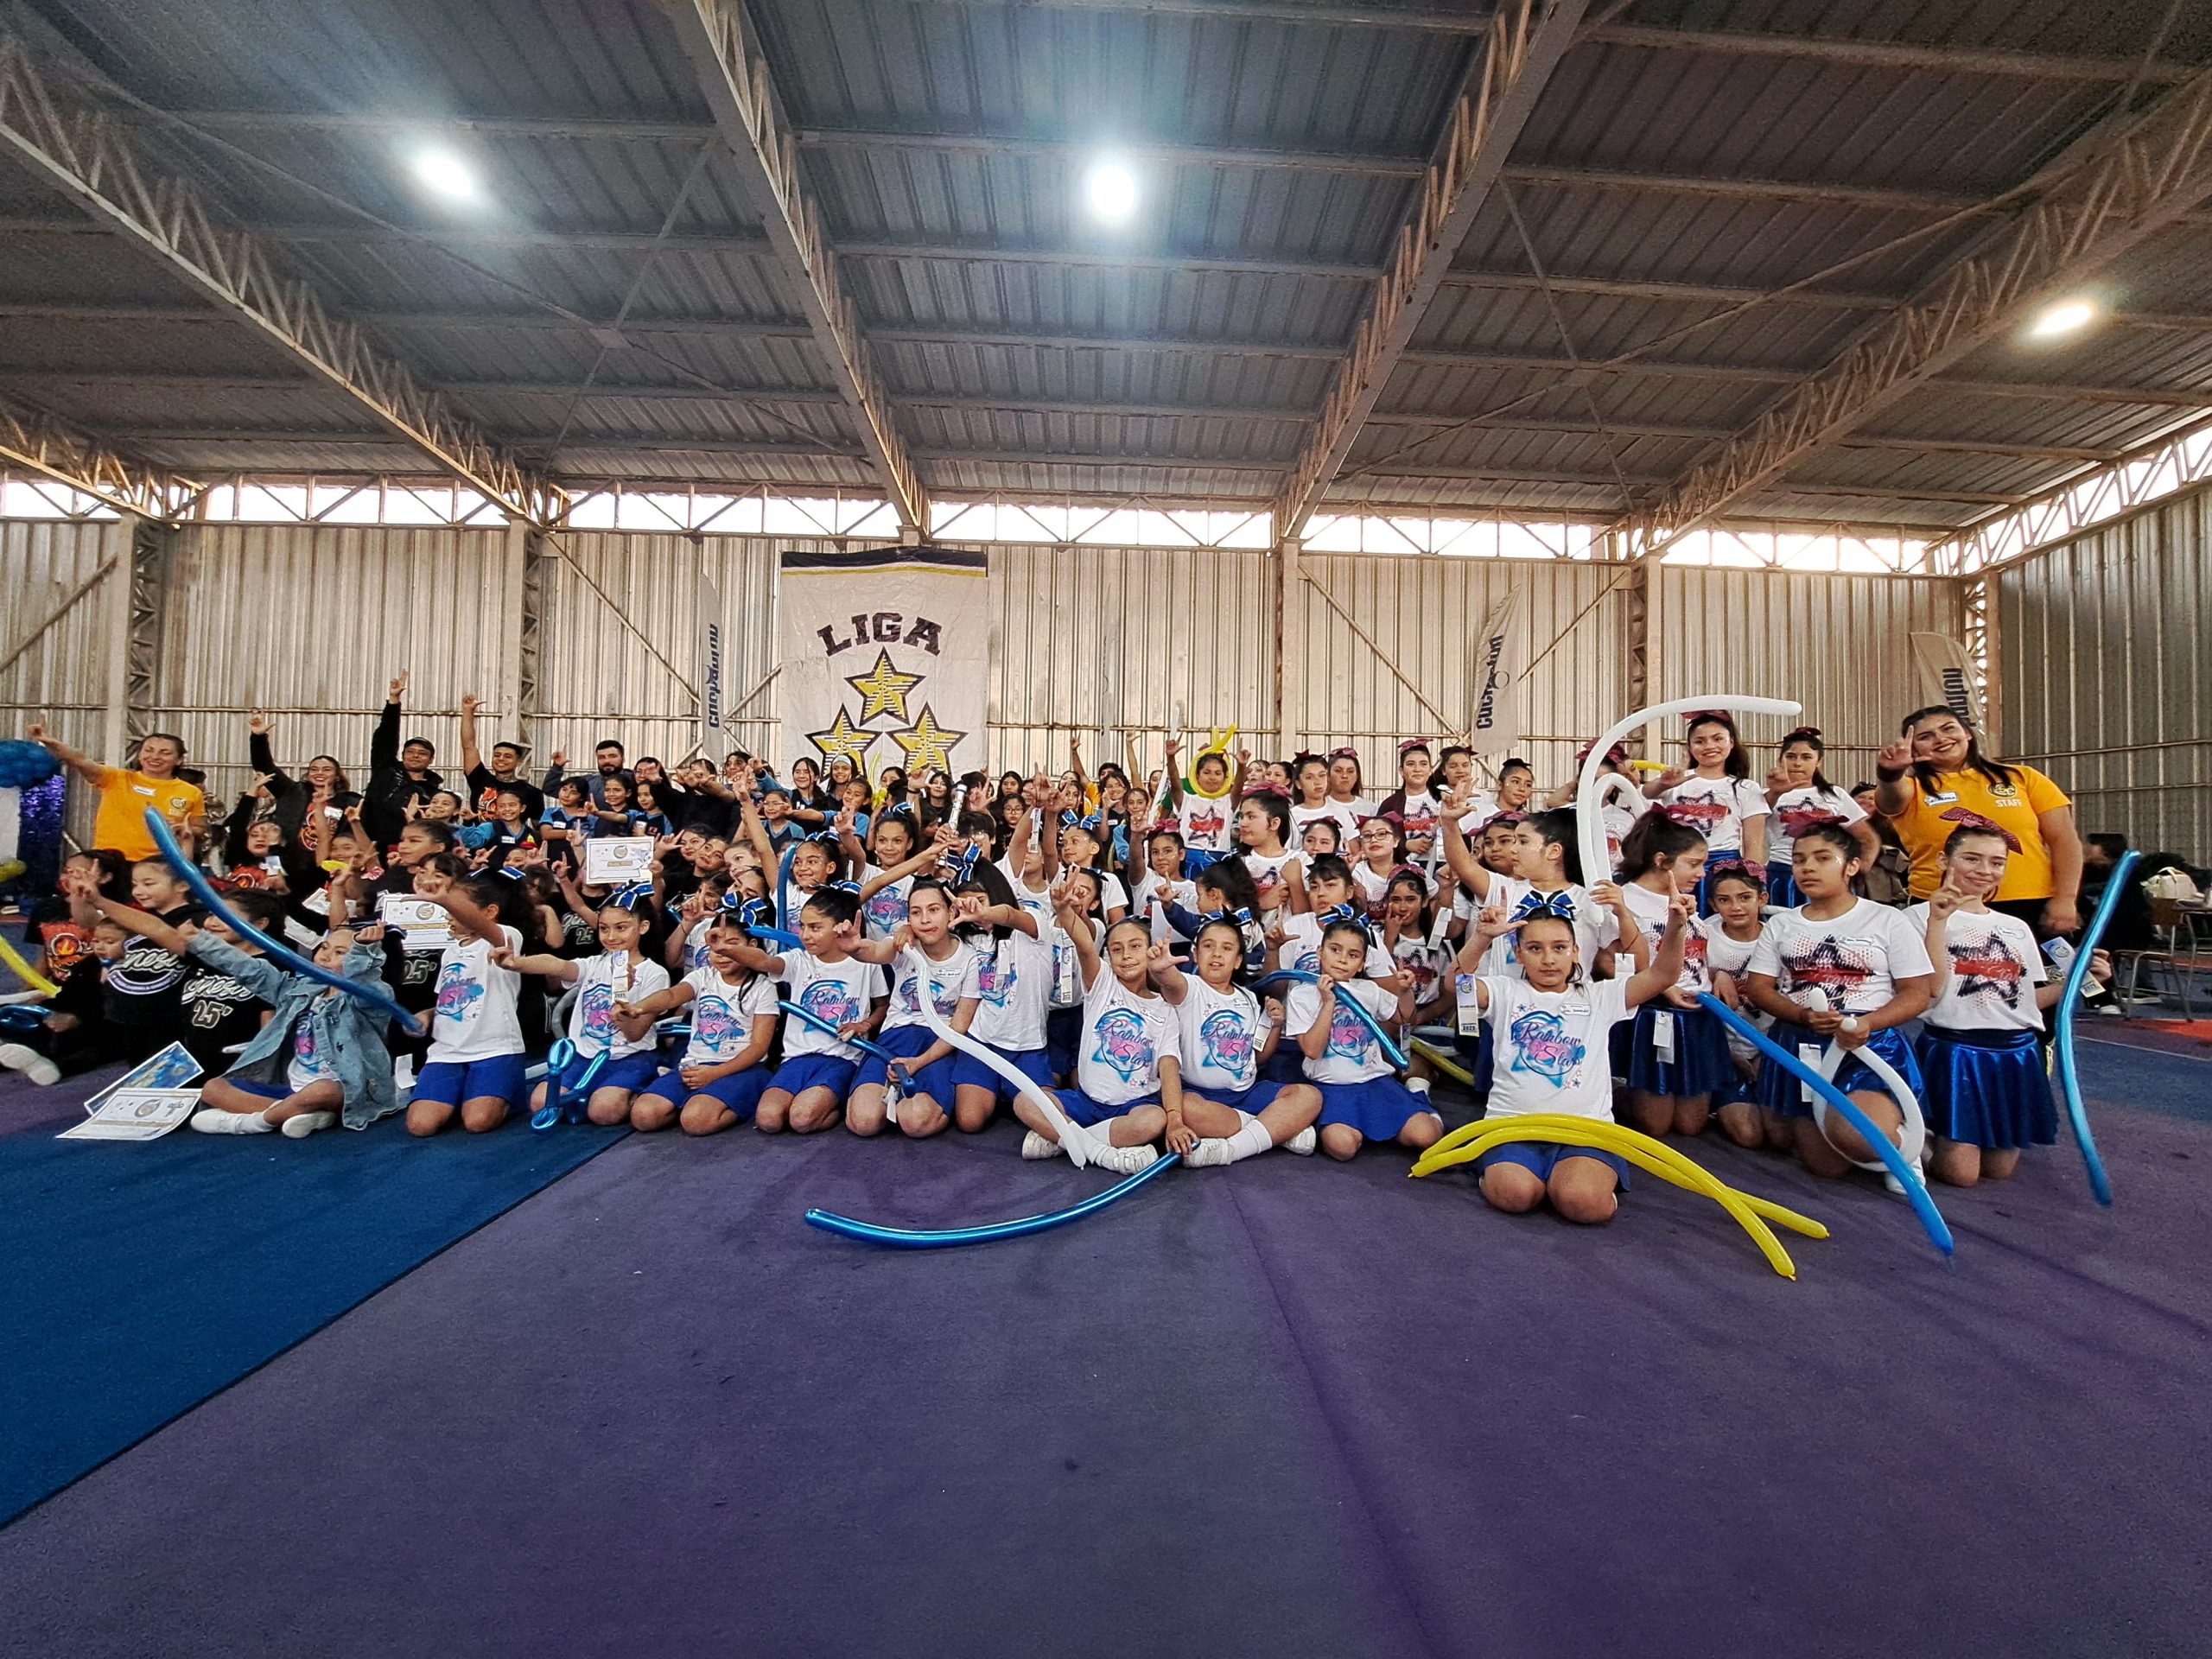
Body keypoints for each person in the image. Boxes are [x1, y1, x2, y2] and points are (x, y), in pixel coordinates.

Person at [1456, 880, 1687, 1224]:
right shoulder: (1504, 991)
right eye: (1535, 948)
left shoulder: (1600, 996)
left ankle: (1578, 1182)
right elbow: (1458, 986)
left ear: (1576, 951)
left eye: (1560, 947)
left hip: (1585, 1132)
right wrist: (1481, 938)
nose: (1549, 959)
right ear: (1518, 954)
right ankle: (1507, 1172)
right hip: (1512, 1126)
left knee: (1583, 1203)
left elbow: (1663, 975)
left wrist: (1677, 926)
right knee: (1515, 1195)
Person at [1910, 826, 2111, 1187]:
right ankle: (1914, 1137)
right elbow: (1931, 990)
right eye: (1972, 859)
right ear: (1943, 860)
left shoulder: (2015, 927)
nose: (1984, 870)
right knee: (1961, 1175)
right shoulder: (1913, 919)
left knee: (1998, 1170)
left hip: (2016, 1054)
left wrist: (2077, 981)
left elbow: (2024, 1002)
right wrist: (1937, 923)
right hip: (1956, 1050)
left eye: (1996, 862)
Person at [1742, 823, 1935, 1179]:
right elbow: (1759, 988)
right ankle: (1863, 1132)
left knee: (1856, 1136)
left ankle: (1905, 1146)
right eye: (1799, 860)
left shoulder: (1887, 919)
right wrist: (1802, 1015)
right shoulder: (1783, 925)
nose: (1808, 868)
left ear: (1852, 866)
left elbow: (1917, 992)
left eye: (1822, 858)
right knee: (1825, 1166)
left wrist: (1866, 1024)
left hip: (1868, 1042)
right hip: (1802, 1041)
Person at [176, 918, 402, 1138]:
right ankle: (303, 1113)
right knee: (213, 1088)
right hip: (290, 1088)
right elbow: (250, 969)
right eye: (324, 947)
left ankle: (254, 1123)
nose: (325, 956)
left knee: (321, 1091)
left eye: (340, 952)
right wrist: (201, 941)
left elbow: (366, 987)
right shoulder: (296, 990)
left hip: (344, 1089)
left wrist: (362, 952)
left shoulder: (372, 1000)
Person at [1874, 708, 2082, 936]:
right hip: (1942, 905)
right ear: (1914, 749)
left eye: (1948, 729)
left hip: (2028, 902)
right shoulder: (1911, 788)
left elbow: (2064, 841)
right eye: (1926, 737)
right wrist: (1888, 773)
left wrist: (2065, 899)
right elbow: (1890, 798)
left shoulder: (2022, 778)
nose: (1941, 739)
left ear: (1967, 733)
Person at [1014, 887, 1178, 1173]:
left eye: (1135, 946)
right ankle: (1101, 1152)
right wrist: (1064, 910)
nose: (1126, 955)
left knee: (1154, 1120)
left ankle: (1064, 1140)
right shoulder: (1102, 984)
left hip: (1134, 1107)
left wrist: (1175, 1118)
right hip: (1085, 1102)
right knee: (1025, 1100)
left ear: (1150, 950)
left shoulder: (1165, 1009)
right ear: (1108, 956)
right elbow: (1084, 944)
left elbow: (1168, 1066)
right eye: (1117, 949)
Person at [1149, 918, 1322, 1165]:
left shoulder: (1249, 998)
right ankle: (1275, 1130)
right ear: (1196, 955)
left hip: (1246, 1094)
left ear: (1238, 960)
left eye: (1227, 948)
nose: (1217, 953)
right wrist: (1161, 970)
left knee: (1309, 1096)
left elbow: (1258, 1057)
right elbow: (1171, 981)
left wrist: (1275, 1025)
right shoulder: (1190, 988)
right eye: (1208, 946)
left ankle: (1232, 1149)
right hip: (1200, 1096)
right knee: (1183, 1108)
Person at [501, 886, 672, 1128]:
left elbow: (635, 1033)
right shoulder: (594, 964)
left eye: (621, 928)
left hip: (630, 1057)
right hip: (583, 1056)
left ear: (643, 927)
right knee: (540, 1102)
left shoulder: (655, 973)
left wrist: (622, 996)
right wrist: (516, 963)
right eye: (604, 928)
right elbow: (557, 965)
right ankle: (593, 1093)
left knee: (604, 1113)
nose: (611, 936)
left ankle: (642, 1089)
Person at [1611, 815, 1730, 1140]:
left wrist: (1720, 974)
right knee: (1656, 1126)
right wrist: (1662, 987)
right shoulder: (1626, 900)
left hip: (1699, 1016)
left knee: (1691, 1126)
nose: (1702, 873)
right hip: (1655, 1014)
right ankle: (1612, 1092)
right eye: (1694, 863)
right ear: (1661, 860)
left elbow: (1695, 954)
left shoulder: (1686, 900)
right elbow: (1608, 964)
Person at [734, 887, 888, 1135]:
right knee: (768, 1120)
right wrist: (727, 949)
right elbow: (764, 962)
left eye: (815, 928)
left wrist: (866, 1025)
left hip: (842, 1059)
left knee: (801, 1119)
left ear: (841, 927)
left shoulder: (865, 964)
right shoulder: (798, 959)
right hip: (796, 1058)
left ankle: (836, 1107)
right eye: (802, 926)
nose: (805, 935)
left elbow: (882, 1006)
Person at [1283, 916, 1436, 1161]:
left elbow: (1404, 1018)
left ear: (1362, 964)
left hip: (1375, 1081)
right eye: (1335, 950)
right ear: (1320, 952)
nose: (1342, 959)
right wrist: (1328, 1003)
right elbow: (1312, 1050)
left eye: (1353, 955)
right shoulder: (1302, 994)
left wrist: (1405, 991)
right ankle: (1326, 1128)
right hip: (1332, 1087)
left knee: (1427, 1136)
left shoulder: (1368, 990)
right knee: (1342, 1147)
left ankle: (1418, 1094)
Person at [843, 879, 982, 1137]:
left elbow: (958, 1028)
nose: (925, 920)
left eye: (934, 910)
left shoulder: (970, 958)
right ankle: (891, 1097)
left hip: (938, 1045)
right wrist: (854, 948)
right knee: (862, 1122)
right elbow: (875, 951)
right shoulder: (904, 945)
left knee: (916, 1122)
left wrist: (918, 1063)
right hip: (895, 1037)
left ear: (951, 912)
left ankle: (907, 1100)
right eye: (916, 913)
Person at [623, 916, 781, 1135]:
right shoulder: (703, 976)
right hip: (696, 1066)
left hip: (741, 1068)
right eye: (715, 947)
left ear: (751, 946)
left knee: (695, 1121)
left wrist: (715, 1074)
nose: (722, 954)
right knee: (643, 1116)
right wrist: (638, 1008)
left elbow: (759, 1047)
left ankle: (741, 1099)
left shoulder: (763, 987)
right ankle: (696, 1101)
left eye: (731, 945)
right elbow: (671, 996)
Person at [405, 876, 532, 1136]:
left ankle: (501, 1094)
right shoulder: (450, 952)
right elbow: (447, 1000)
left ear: (490, 911)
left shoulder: (506, 936)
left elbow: (481, 926)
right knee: (420, 1126)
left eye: (456, 908)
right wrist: (426, 1015)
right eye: (448, 909)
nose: (448, 915)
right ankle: (463, 1094)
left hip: (495, 1049)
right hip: (447, 1051)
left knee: (478, 1122)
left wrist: (445, 899)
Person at [25, 724, 203, 862]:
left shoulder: (190, 792)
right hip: (110, 860)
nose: (155, 757)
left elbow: (199, 828)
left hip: (159, 864)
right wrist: (49, 741)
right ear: (140, 755)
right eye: (148, 750)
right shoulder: (116, 778)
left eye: (165, 753)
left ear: (179, 760)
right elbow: (79, 760)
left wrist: (182, 829)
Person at [1645, 712, 1768, 910]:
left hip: (1725, 871)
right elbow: (1647, 792)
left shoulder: (1746, 788)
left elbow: (1754, 844)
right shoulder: (1677, 780)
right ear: (1689, 747)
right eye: (1700, 741)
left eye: (1718, 739)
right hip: (1679, 868)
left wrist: (1752, 883)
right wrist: (1663, 783)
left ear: (1731, 742)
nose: (1709, 746)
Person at [1763, 727, 1878, 906]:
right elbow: (1754, 824)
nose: (1797, 763)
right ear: (1780, 760)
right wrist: (1774, 793)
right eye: (1791, 756)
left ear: (1819, 762)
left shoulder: (1835, 794)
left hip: (1829, 875)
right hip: (1782, 874)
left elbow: (1867, 837)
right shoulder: (1767, 795)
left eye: (1806, 757)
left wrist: (1858, 869)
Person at [458, 695, 543, 822]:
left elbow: (539, 827)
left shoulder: (532, 793)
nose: (501, 759)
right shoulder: (479, 779)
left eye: (508, 756)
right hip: (478, 834)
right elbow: (468, 746)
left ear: (519, 762)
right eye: (497, 755)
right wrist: (468, 710)